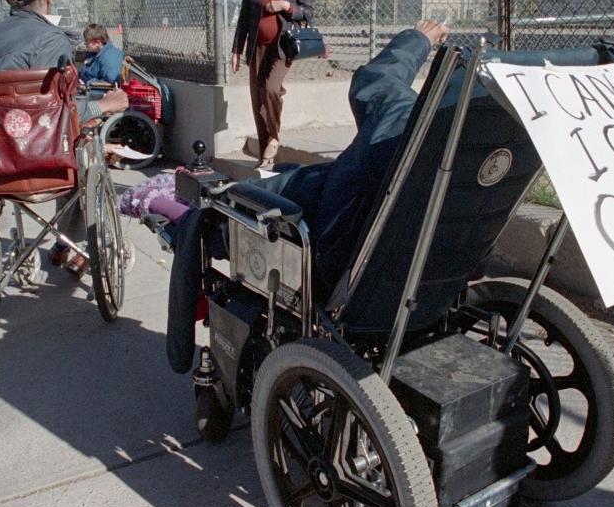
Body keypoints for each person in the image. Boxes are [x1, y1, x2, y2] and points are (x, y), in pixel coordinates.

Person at [165, 19, 449, 373]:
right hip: (423, 279)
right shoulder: (471, 147)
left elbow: (375, 80)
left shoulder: (402, 120)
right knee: (283, 180)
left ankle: (181, 340)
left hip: (327, 255)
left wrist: (418, 38)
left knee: (205, 216)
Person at [0, 0, 129, 275]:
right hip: (44, 163)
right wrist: (106, 105)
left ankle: (63, 243)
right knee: (84, 146)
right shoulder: (51, 39)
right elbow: (61, 111)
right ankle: (72, 244)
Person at [231, 0, 314, 169]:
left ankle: (274, 138)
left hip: (283, 45)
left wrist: (286, 6)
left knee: (270, 89)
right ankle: (265, 157)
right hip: (257, 45)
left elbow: (308, 12)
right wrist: (237, 48)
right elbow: (245, 15)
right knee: (258, 101)